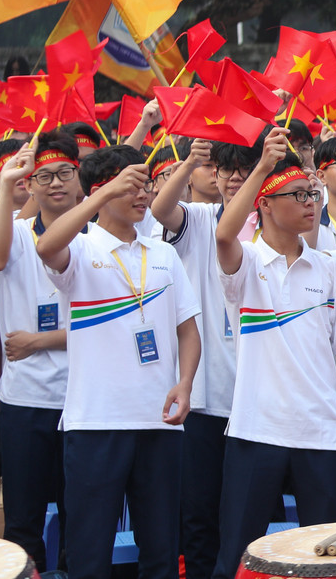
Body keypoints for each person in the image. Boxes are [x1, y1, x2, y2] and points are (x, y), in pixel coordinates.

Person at [35, 145, 201, 579]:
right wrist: (103, 194)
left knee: (161, 553)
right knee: (89, 553)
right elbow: (46, 246)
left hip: (159, 422)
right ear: (100, 190)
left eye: (146, 186)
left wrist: (185, 383)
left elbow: (188, 331)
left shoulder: (162, 254)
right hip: (96, 423)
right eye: (132, 186)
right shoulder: (80, 248)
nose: (143, 195)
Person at [210, 127, 336, 578]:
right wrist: (262, 165)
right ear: (264, 204)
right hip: (255, 431)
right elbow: (223, 236)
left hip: (320, 434)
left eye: (312, 194)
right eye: (298, 196)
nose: (310, 204)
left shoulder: (333, 269)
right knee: (238, 555)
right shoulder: (246, 263)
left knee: (320, 560)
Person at [150, 137, 256, 579]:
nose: (233, 178)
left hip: (258, 403)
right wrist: (190, 160)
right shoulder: (198, 219)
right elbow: (160, 209)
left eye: (244, 169)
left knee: (246, 521)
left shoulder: (278, 226)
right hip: (207, 399)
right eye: (225, 169)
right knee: (199, 515)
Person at [0, 135, 78, 565]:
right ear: (30, 184)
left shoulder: (99, 239)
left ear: (80, 178)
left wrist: (41, 341)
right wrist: (5, 185)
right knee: (22, 522)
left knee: (79, 519)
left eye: (65, 173)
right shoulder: (13, 235)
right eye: (44, 176)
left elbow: (112, 327)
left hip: (82, 402)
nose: (56, 183)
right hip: (24, 400)